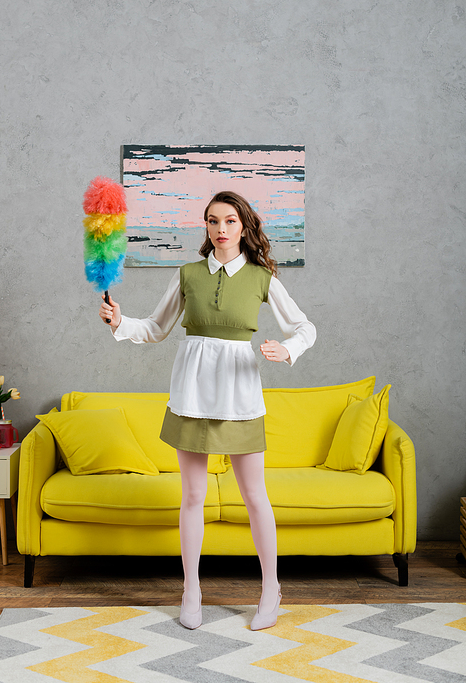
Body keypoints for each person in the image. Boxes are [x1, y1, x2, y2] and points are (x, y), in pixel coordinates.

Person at [99, 190, 316, 631]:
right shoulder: (187, 274)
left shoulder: (262, 278)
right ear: (206, 226)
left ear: (244, 226)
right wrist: (121, 322)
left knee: (255, 497)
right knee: (193, 496)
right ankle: (191, 591)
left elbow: (305, 327)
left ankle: (271, 589)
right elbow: (157, 328)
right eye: (213, 221)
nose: (221, 229)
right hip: (192, 392)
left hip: (240, 392)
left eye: (230, 221)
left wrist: (286, 348)